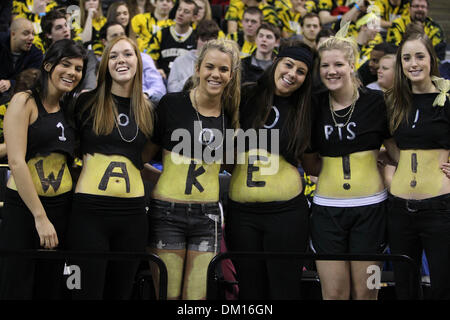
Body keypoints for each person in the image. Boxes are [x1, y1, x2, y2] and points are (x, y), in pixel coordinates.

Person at [147, 39, 241, 300]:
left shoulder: (231, 114)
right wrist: (165, 177)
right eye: (210, 67)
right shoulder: (171, 104)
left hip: (207, 216)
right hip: (167, 213)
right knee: (167, 295)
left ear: (231, 76)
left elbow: (231, 165)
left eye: (223, 70)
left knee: (196, 300)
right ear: (198, 68)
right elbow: (142, 157)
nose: (216, 74)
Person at [306, 22, 391, 300]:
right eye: (325, 66)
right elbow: (308, 160)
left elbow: (397, 150)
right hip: (327, 209)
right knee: (334, 294)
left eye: (339, 64)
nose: (331, 71)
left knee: (368, 292)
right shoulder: (314, 105)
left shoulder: (376, 102)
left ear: (352, 65)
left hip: (371, 209)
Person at [66, 35, 154, 300]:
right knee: (83, 292)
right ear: (105, 65)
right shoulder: (85, 102)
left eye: (127, 54)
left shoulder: (149, 110)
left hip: (133, 217)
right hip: (89, 214)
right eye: (113, 56)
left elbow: (141, 161)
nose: (121, 60)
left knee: (121, 293)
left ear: (138, 61)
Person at [225, 39, 314, 300]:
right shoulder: (246, 95)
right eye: (288, 65)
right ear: (276, 61)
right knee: (250, 292)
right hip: (242, 215)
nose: (292, 74)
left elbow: (313, 160)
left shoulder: (306, 108)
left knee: (284, 290)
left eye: (301, 71)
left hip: (286, 214)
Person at [0, 39, 87, 299]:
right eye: (66, 64)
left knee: (51, 287)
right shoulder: (24, 101)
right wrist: (40, 217)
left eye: (79, 68)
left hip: (62, 207)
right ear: (48, 65)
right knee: (16, 284)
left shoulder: (71, 108)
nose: (72, 72)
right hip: (25, 211)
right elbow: (15, 161)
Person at [384, 29, 450, 299]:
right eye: (407, 58)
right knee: (405, 287)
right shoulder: (394, 102)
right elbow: (386, 141)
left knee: (443, 285)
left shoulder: (447, 100)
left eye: (420, 56)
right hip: (399, 208)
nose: (413, 63)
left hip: (439, 207)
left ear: (431, 60)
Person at [100, 21, 166, 103]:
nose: (120, 38)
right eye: (114, 36)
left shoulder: (144, 58)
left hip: (144, 101)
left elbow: (159, 88)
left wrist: (145, 95)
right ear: (104, 42)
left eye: (122, 34)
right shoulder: (100, 62)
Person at [146, 0, 198, 79]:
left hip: (186, 81)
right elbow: (149, 58)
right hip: (163, 79)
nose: (180, 13)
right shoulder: (160, 34)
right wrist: (156, 70)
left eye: (186, 12)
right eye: (179, 9)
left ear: (194, 17)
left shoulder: (196, 37)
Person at [167, 19, 220, 93]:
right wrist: (191, 80)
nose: (206, 44)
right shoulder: (180, 61)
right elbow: (171, 89)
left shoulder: (220, 62)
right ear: (197, 39)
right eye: (203, 39)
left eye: (210, 40)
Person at [0, 18, 43, 100]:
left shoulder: (36, 54)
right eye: (26, 33)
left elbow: (32, 82)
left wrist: (11, 83)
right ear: (13, 34)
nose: (31, 38)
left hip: (18, 97)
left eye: (33, 34)